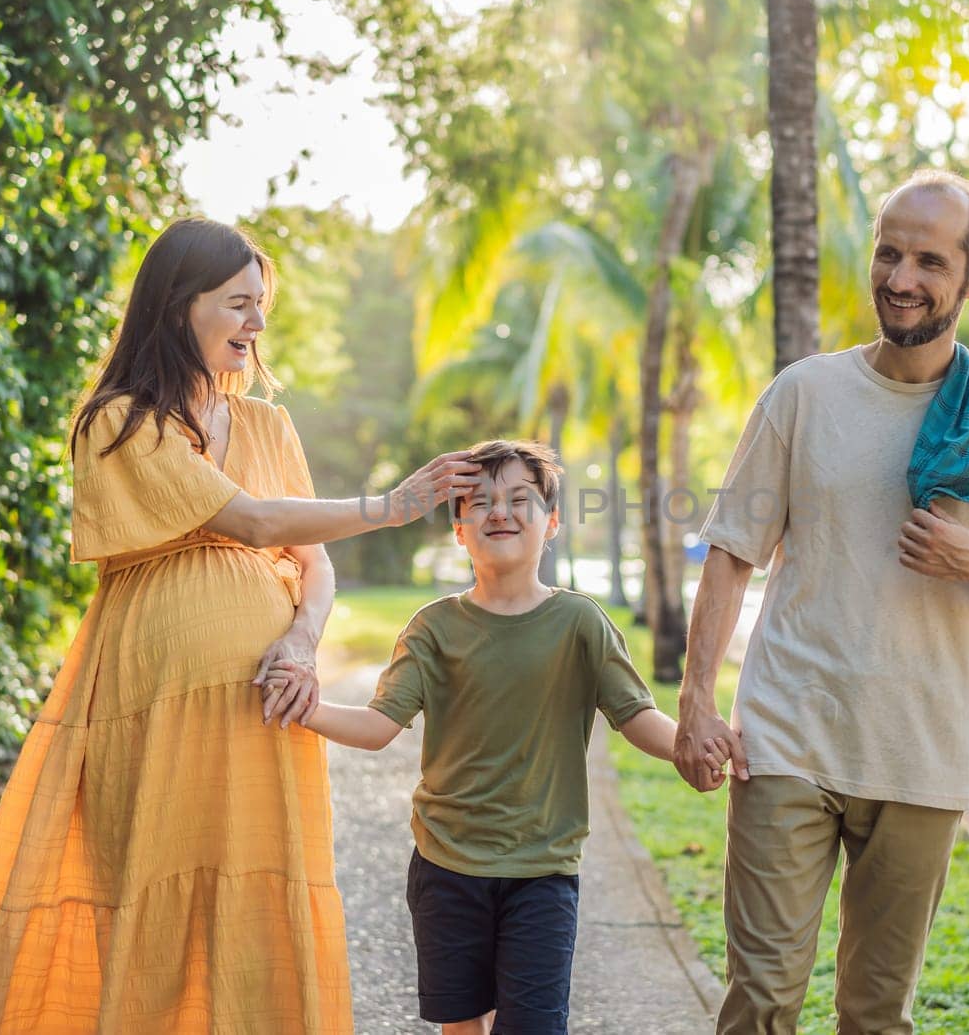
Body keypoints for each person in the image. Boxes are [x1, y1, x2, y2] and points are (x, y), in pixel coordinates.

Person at [0, 217, 480, 1034]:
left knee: (260, 893)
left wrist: (298, 639)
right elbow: (251, 520)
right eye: (239, 304)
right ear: (181, 305)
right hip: (151, 707)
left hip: (264, 708)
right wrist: (391, 506)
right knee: (150, 898)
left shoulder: (268, 427)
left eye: (262, 307)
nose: (256, 325)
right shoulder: (119, 421)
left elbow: (309, 560)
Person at [676, 170, 969, 1035]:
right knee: (762, 1000)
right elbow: (732, 552)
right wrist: (698, 699)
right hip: (788, 734)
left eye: (929, 259)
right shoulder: (802, 393)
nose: (900, 277)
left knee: (876, 1014)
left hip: (922, 753)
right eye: (889, 253)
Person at [277, 440, 701, 1035]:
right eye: (478, 502)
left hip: (542, 869)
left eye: (519, 499)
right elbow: (378, 727)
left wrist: (694, 744)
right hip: (446, 864)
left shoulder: (581, 622)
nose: (499, 512)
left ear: (550, 523)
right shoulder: (433, 628)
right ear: (458, 530)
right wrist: (308, 708)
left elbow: (635, 716)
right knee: (461, 1024)